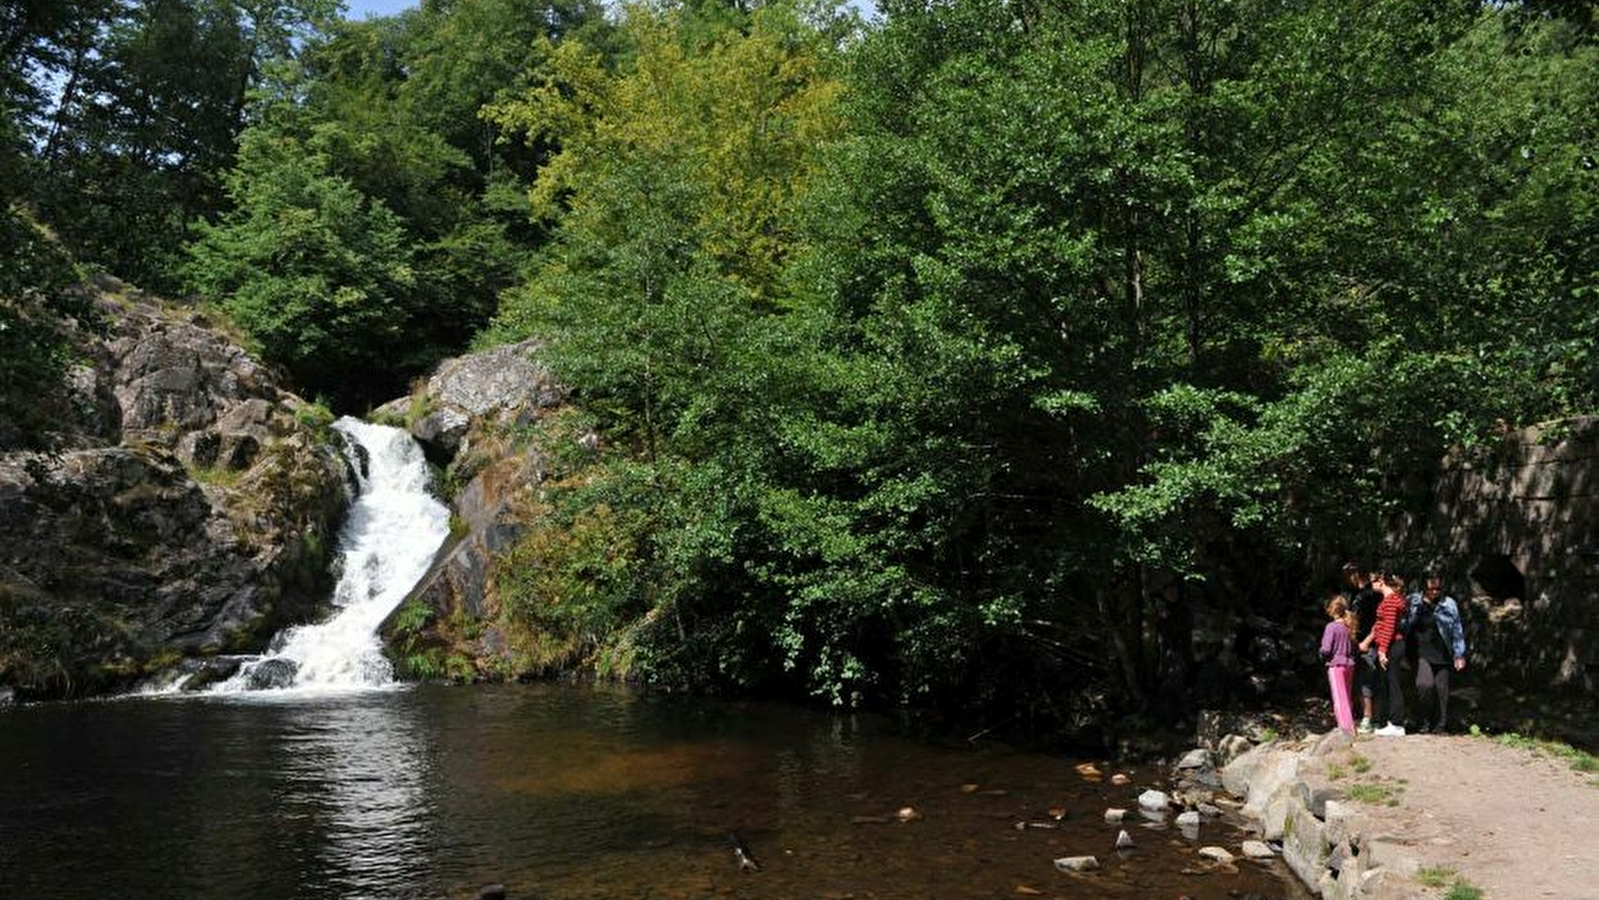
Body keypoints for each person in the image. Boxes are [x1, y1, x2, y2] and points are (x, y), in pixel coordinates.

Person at [1408, 575, 1467, 733]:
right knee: (1424, 685)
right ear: (1424, 588)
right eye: (1430, 589)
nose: (1434, 592)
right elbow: (1405, 624)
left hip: (1443, 653)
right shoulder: (1413, 601)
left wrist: (1459, 654)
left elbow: (1457, 629)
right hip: (1421, 652)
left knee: (1442, 691)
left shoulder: (1449, 603)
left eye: (1437, 589)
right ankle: (1425, 720)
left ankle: (1440, 725)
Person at [1360, 572, 1409, 736]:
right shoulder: (1392, 599)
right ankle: (1388, 722)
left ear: (1381, 582)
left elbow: (1388, 628)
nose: (1371, 583)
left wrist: (1382, 651)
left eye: (1373, 580)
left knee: (1393, 682)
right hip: (1389, 645)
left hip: (1391, 646)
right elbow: (1380, 625)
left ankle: (1396, 724)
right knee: (1387, 682)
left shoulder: (1390, 602)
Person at [1341, 563, 1383, 733]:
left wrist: (1367, 640)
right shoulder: (1354, 594)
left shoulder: (1372, 594)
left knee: (1368, 679)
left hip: (1369, 643)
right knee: (1359, 679)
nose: (1345, 578)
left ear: (1355, 574)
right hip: (1355, 643)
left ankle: (1370, 718)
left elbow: (1380, 621)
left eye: (1347, 574)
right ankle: (1363, 717)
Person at [1319, 595, 1359, 734]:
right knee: (1347, 697)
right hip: (1349, 664)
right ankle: (1351, 727)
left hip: (1336, 665)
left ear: (1331, 609)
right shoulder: (1348, 626)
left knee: (1339, 699)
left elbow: (1326, 649)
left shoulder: (1331, 626)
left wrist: (1321, 653)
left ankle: (1346, 730)